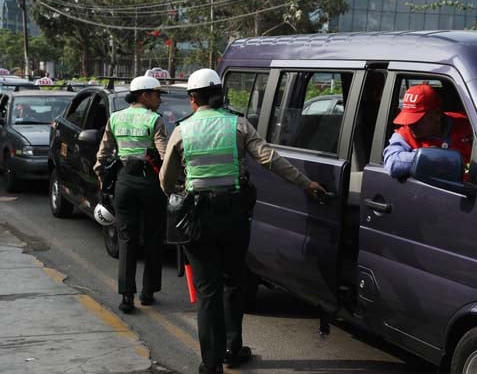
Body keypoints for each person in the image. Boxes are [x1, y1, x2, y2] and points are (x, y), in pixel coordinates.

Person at [159, 69, 325, 374]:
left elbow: (166, 179)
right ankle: (231, 349)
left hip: (199, 217)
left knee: (207, 291)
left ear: (193, 98)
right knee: (233, 282)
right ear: (220, 95)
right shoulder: (238, 124)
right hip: (234, 216)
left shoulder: (183, 130)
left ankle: (211, 364)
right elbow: (270, 158)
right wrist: (306, 183)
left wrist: (180, 190)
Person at [94, 76, 168, 313]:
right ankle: (148, 293)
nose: (159, 99)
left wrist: (101, 178)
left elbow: (103, 153)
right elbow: (165, 155)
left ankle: (127, 296)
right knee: (153, 237)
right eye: (157, 94)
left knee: (126, 238)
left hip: (124, 181)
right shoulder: (154, 119)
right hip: (150, 182)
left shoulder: (116, 118)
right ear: (144, 95)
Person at [383, 83, 473, 178]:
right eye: (408, 119)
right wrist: (428, 155)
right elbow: (391, 163)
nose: (411, 125)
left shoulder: (468, 124)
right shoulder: (404, 135)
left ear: (437, 114)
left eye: (417, 120)